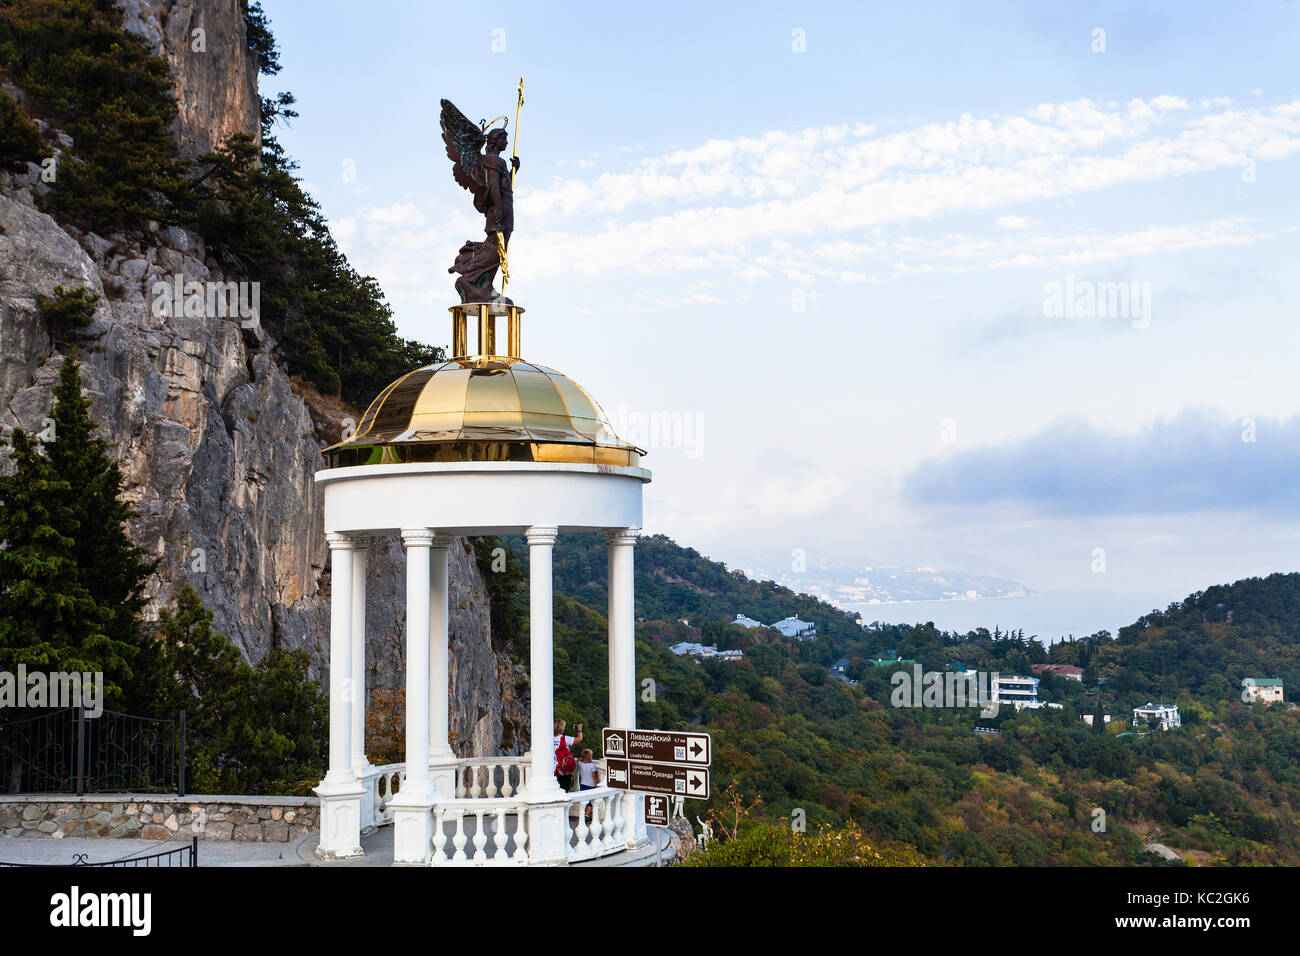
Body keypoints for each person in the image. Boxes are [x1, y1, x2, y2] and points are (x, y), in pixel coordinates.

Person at [553, 719, 583, 791]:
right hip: (563, 768)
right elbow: (580, 739)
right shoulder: (565, 739)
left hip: (552, 769)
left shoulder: (548, 738)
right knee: (564, 789)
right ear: (561, 728)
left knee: (554, 790)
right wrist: (579, 730)